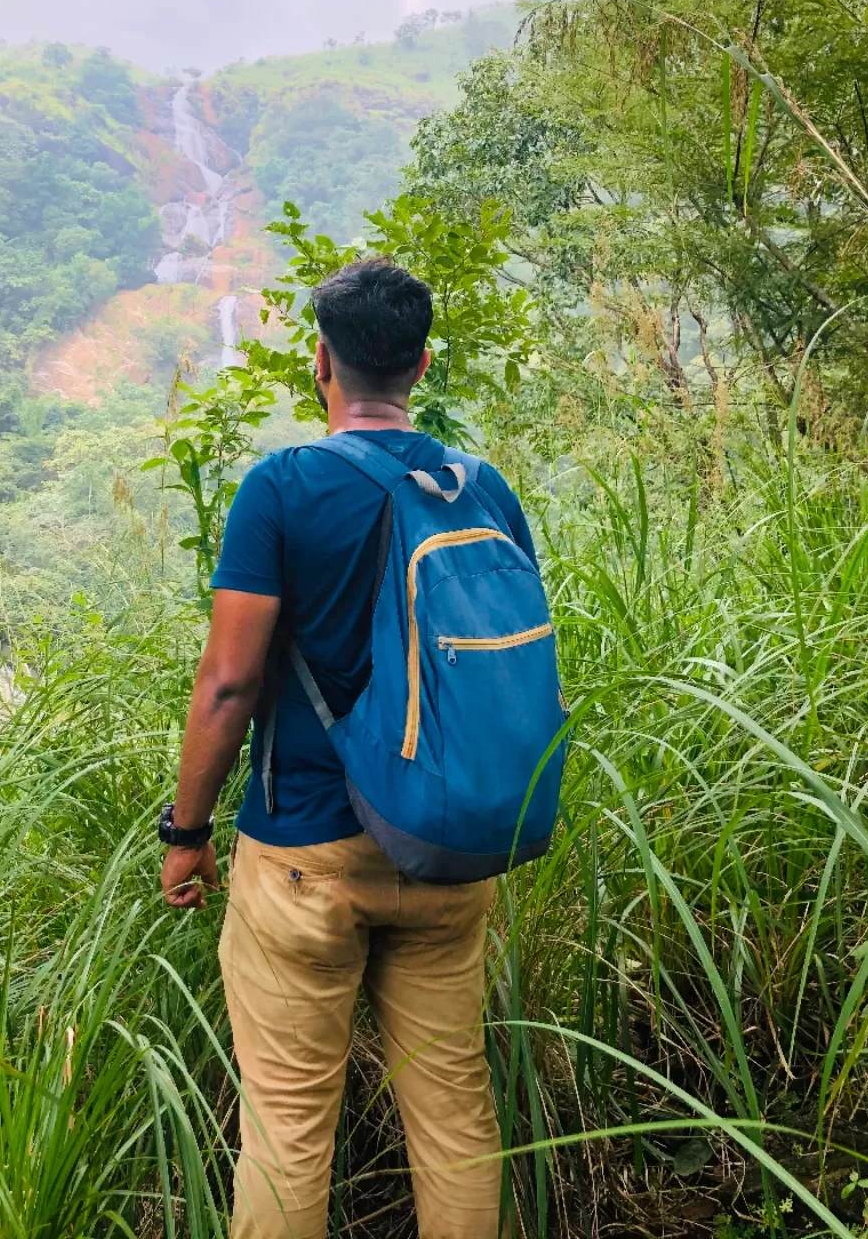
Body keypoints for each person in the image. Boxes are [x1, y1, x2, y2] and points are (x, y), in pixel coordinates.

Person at [158, 258, 541, 1238]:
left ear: (321, 363)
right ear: (417, 363)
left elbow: (231, 681)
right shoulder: (482, 488)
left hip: (305, 858)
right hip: (450, 848)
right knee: (455, 1115)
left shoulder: (282, 489)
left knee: (287, 1128)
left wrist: (185, 830)